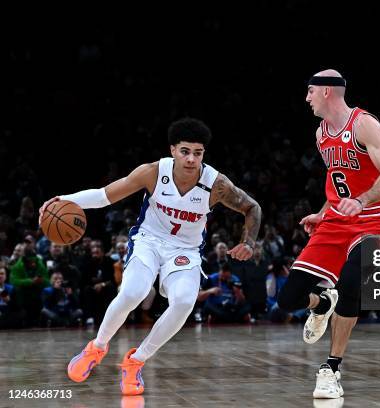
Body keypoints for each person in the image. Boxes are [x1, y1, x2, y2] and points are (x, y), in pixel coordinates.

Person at [39, 117, 261, 395]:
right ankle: (96, 348)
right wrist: (64, 199)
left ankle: (135, 361)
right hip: (149, 241)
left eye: (198, 152)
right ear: (173, 150)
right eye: (185, 151)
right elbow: (104, 196)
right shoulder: (153, 172)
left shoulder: (216, 184)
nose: (191, 159)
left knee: (183, 302)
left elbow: (252, 207)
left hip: (185, 250)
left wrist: (249, 242)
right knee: (132, 292)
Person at [278, 70, 380, 399]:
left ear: (328, 92)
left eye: (310, 92)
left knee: (351, 283)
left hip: (374, 220)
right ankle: (321, 304)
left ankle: (330, 368)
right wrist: (322, 212)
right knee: (287, 299)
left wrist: (360, 202)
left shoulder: (363, 125)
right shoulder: (320, 134)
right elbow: (338, 179)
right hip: (336, 221)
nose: (307, 98)